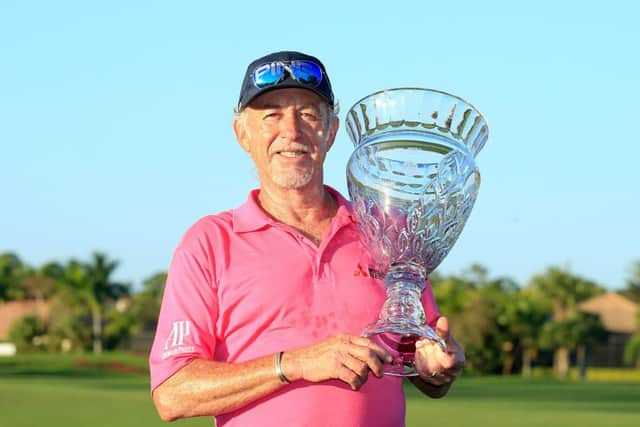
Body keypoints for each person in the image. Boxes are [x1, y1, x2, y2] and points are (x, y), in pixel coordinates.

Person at [149, 50, 465, 427]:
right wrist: (294, 363)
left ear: (330, 131)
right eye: (271, 116)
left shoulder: (389, 231)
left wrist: (435, 368)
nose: (291, 132)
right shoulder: (209, 243)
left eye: (309, 115)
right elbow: (172, 392)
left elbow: (419, 363)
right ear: (242, 134)